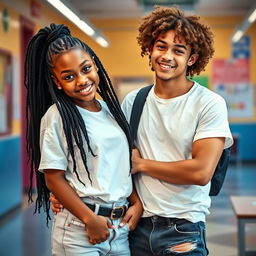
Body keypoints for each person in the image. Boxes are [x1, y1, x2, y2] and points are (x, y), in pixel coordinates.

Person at [51, 6, 233, 255]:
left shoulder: (209, 103)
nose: (167, 56)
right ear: (150, 49)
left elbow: (201, 171)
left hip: (183, 228)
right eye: (161, 46)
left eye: (178, 50)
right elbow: (114, 160)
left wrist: (143, 164)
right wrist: (69, 194)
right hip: (134, 225)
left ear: (191, 59)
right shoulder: (133, 101)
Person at [25, 23, 142, 256]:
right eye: (69, 76)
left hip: (119, 228)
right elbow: (54, 179)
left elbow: (119, 165)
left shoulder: (112, 111)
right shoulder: (56, 117)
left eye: (86, 68)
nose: (81, 80)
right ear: (57, 82)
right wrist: (89, 219)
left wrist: (136, 202)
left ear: (95, 66)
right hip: (80, 229)